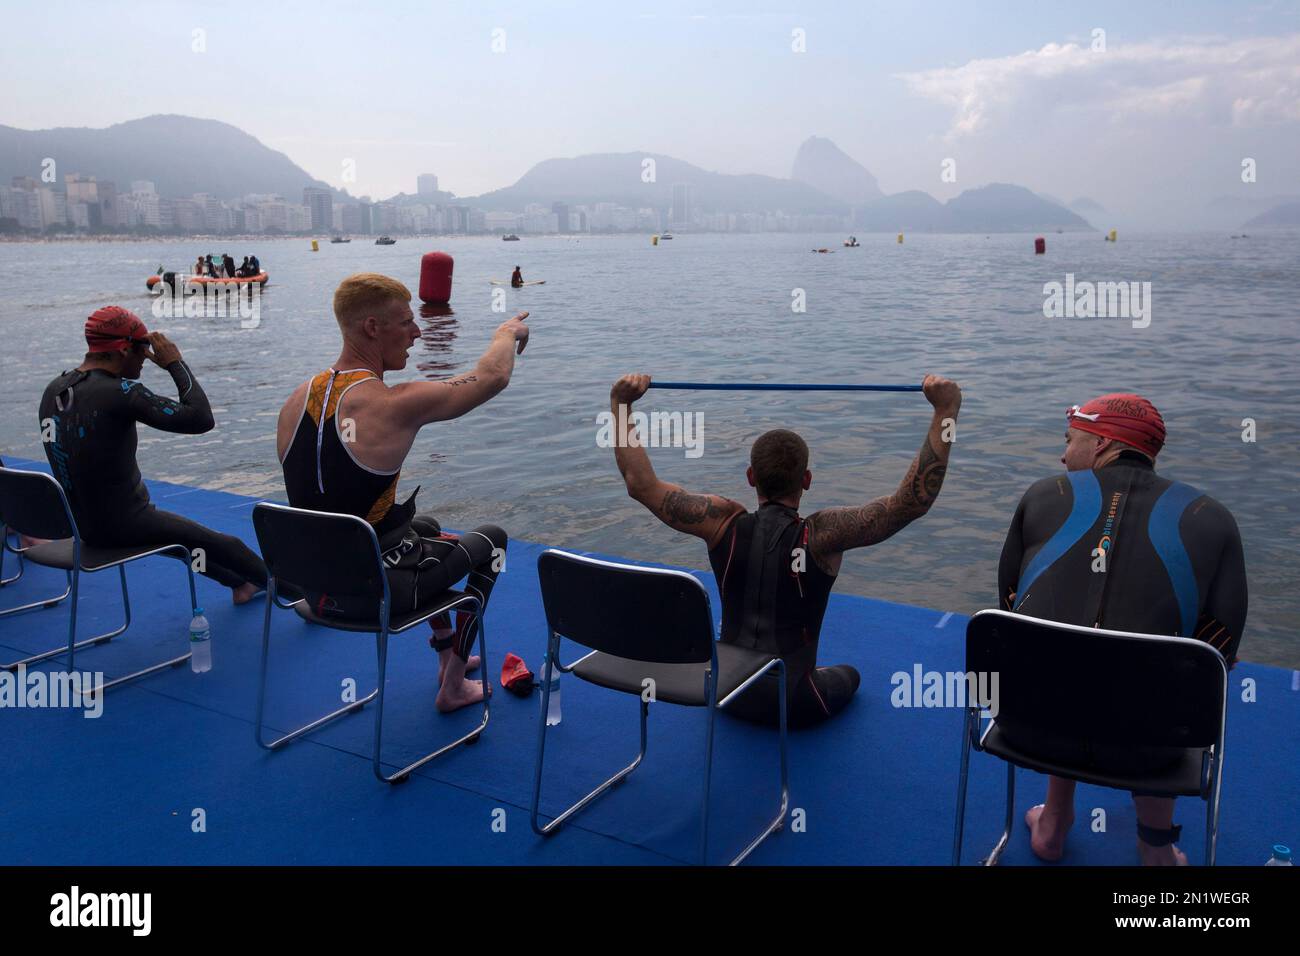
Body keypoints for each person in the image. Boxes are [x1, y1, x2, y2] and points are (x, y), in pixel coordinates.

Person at [607, 373, 962, 728]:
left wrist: (621, 405)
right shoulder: (823, 535)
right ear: (806, 480)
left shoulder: (720, 522)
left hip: (726, 691)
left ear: (750, 477)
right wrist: (945, 410)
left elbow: (641, 485)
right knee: (850, 675)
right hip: (796, 705)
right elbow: (909, 504)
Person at [998, 393, 1247, 866]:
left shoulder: (1040, 496)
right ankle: (1155, 848)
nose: (1061, 454)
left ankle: (1052, 824)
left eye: (1069, 439)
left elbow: (1010, 611)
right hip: (1151, 749)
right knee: (1172, 669)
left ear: (1101, 444)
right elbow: (1219, 654)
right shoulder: (1212, 519)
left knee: (1053, 641)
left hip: (1029, 728)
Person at [275, 273, 530, 713]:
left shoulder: (296, 399)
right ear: (372, 328)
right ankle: (452, 685)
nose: (417, 333)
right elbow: (491, 377)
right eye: (407, 322)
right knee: (492, 541)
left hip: (315, 588)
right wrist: (507, 332)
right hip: (372, 595)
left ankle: (447, 651)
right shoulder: (393, 404)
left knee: (423, 526)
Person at [38, 307, 267, 603]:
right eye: (143, 349)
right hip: (124, 524)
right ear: (123, 349)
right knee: (227, 544)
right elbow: (200, 419)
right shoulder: (120, 393)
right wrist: (175, 363)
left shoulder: (54, 389)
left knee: (177, 541)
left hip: (82, 525)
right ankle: (302, 597)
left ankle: (240, 584)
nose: (147, 357)